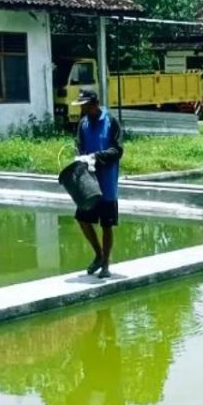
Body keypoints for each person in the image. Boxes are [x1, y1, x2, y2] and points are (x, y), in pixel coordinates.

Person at [73, 89, 124, 279]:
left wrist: (97, 156)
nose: (82, 110)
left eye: (84, 106)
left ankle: (106, 265)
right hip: (89, 183)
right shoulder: (83, 124)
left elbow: (117, 150)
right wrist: (80, 157)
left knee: (106, 225)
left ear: (94, 104)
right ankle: (99, 254)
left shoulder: (111, 122)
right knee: (82, 218)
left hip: (107, 182)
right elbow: (79, 145)